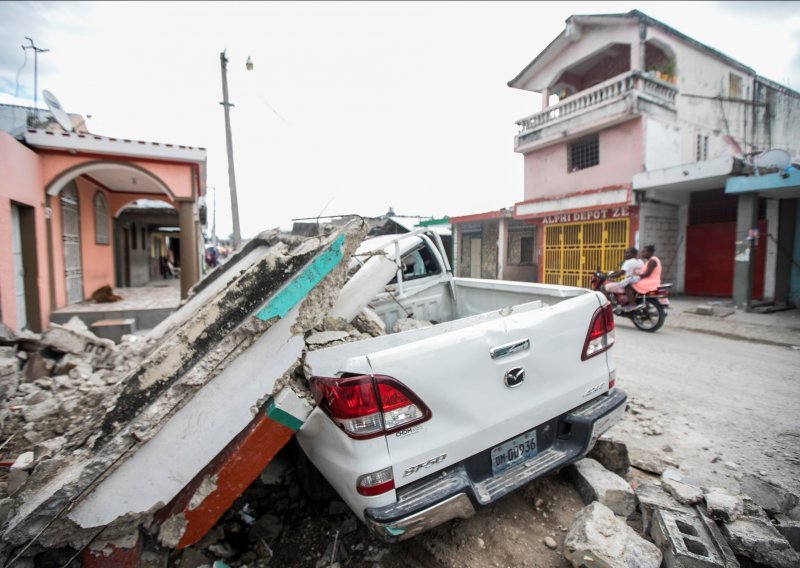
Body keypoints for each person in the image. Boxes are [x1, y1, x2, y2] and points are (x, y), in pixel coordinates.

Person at [624, 244, 662, 311]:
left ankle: (633, 304)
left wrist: (636, 276)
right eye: (642, 252)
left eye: (644, 252)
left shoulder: (652, 261)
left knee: (627, 285)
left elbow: (647, 274)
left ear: (650, 252)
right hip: (648, 281)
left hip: (650, 282)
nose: (642, 253)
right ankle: (637, 301)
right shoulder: (650, 260)